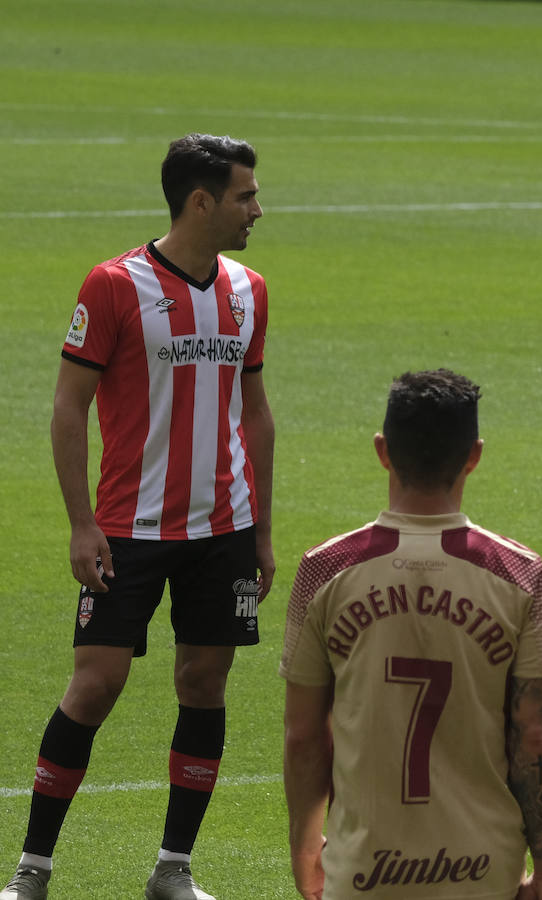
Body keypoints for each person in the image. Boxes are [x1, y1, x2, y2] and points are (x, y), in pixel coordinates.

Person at [1, 134, 273, 900]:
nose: (258, 208)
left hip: (223, 528)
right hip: (128, 529)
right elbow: (68, 407)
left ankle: (173, 871)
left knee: (205, 680)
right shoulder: (113, 285)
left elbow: (255, 413)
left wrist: (264, 530)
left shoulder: (250, 289)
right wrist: (80, 524)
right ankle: (31, 871)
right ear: (201, 201)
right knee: (95, 685)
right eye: (245, 195)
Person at [281, 370, 542, 900]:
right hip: (484, 875)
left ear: (382, 450)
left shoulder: (324, 571)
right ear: (474, 455)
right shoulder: (521, 575)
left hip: (363, 872)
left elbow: (303, 737)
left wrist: (304, 847)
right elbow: (535, 735)